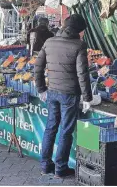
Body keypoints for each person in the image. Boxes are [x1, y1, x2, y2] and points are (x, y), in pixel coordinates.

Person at [34, 14, 92, 178]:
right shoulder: (79, 45)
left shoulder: (49, 42)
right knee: (65, 131)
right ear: (78, 31)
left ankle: (45, 166)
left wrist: (41, 89)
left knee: (50, 128)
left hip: (52, 92)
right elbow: (83, 73)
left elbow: (37, 67)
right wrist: (87, 97)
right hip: (69, 95)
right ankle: (60, 168)